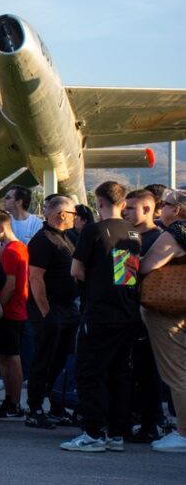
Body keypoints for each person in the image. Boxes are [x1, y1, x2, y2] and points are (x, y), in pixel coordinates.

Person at [62, 182, 142, 453]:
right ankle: (117, 433)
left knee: (89, 373)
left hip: (98, 313)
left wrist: (94, 282)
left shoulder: (93, 230)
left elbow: (76, 270)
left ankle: (93, 432)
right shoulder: (132, 232)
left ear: (99, 202)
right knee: (120, 374)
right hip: (126, 312)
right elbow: (126, 275)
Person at [24, 195, 80, 429]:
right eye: (73, 214)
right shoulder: (43, 239)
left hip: (67, 309)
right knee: (43, 359)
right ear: (62, 215)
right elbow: (35, 278)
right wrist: (46, 312)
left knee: (60, 360)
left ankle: (56, 404)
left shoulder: (66, 237)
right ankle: (34, 408)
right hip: (49, 310)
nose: (75, 218)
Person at [139, 207, 186, 453]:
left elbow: (147, 266)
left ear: (176, 209)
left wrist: (121, 260)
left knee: (176, 372)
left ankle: (183, 433)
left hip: (169, 309)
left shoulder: (178, 230)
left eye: (166, 204)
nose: (162, 208)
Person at [123, 189, 165, 442]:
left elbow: (124, 278)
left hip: (147, 315)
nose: (125, 212)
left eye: (130, 208)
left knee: (148, 373)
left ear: (147, 209)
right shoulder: (129, 236)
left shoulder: (158, 239)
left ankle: (152, 423)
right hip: (128, 313)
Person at [0, 209, 29, 419]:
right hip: (13, 309)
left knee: (11, 357)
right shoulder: (15, 248)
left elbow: (10, 285)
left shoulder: (12, 250)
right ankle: (11, 400)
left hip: (9, 311)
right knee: (5, 356)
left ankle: (14, 401)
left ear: (2, 228)